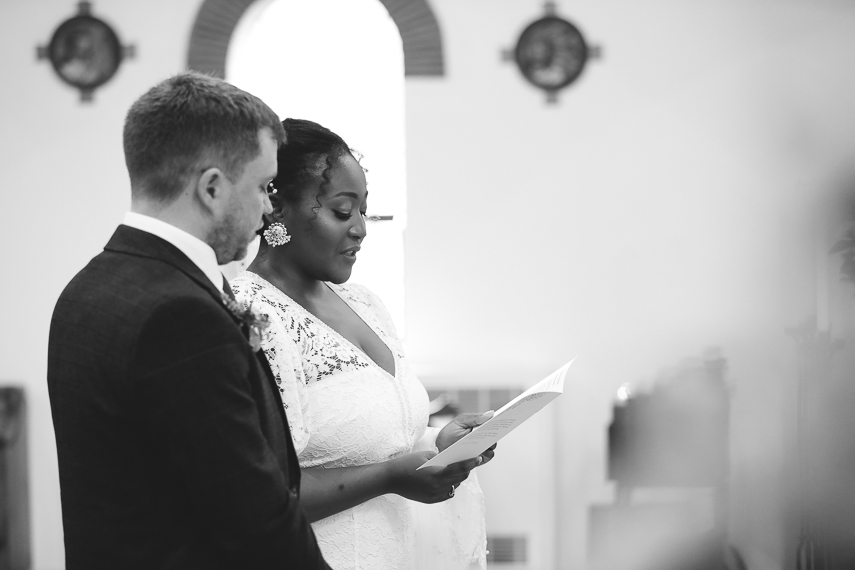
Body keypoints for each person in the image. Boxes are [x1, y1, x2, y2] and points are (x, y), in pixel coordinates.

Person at [47, 73, 330, 570]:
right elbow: (255, 521)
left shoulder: (86, 287)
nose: (269, 208)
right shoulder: (180, 316)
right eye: (264, 186)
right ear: (212, 188)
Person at [232, 118, 493, 570]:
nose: (360, 229)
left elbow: (381, 437)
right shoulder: (248, 315)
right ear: (276, 209)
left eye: (363, 211)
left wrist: (441, 441)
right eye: (341, 210)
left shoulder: (364, 302)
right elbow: (255, 493)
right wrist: (388, 479)